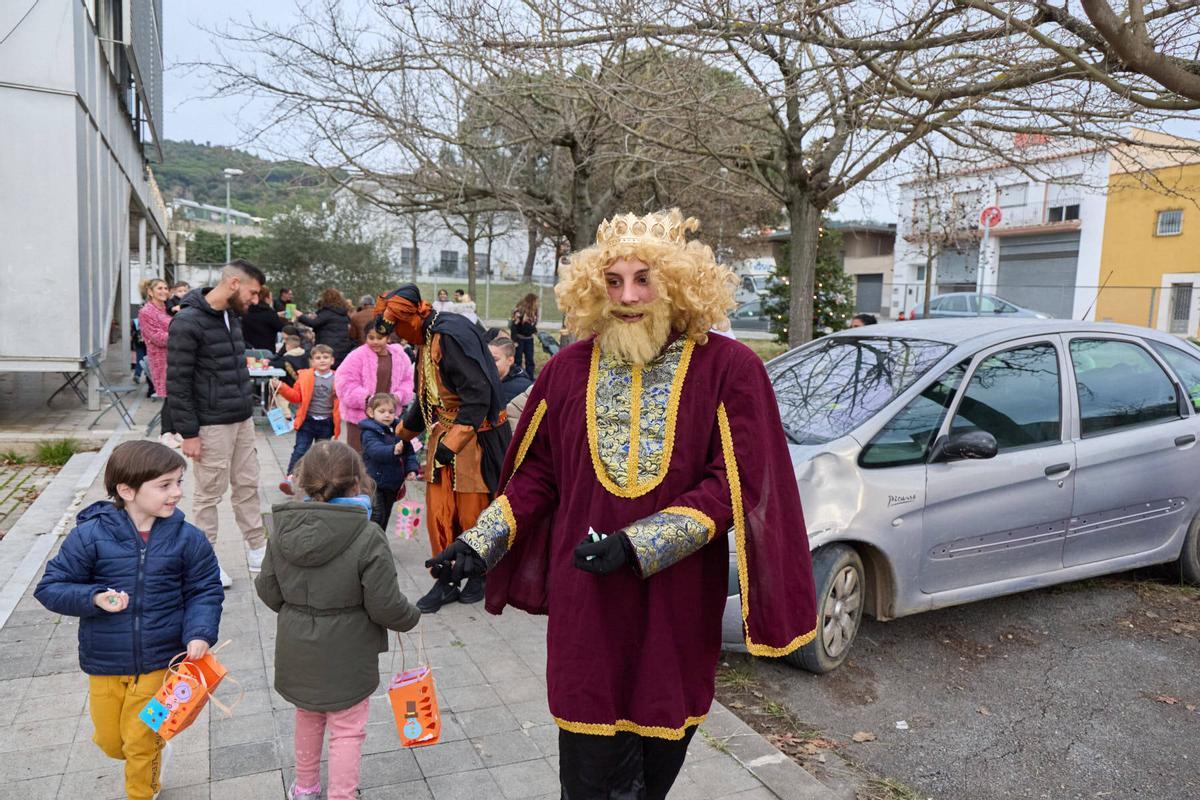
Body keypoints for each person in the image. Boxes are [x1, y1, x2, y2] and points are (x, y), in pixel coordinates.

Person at [425, 209, 818, 799]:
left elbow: (733, 484)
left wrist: (642, 543)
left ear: (680, 283)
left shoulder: (728, 369)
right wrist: (479, 544)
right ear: (592, 288)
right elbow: (536, 477)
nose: (628, 296)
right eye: (613, 281)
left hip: (675, 602)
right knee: (585, 777)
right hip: (587, 604)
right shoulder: (565, 370)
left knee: (654, 769)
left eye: (644, 279)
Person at [33, 441, 223, 800]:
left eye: (179, 482)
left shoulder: (188, 539)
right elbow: (51, 587)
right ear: (126, 490)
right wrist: (93, 598)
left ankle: (143, 789)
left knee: (139, 741)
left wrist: (199, 631)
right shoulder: (90, 536)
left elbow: (205, 589)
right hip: (104, 661)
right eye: (165, 485)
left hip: (160, 661)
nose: (177, 493)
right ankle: (149, 750)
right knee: (111, 742)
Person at [255, 440, 421, 800]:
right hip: (349, 652)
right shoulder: (367, 534)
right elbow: (385, 604)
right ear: (357, 484)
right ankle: (341, 795)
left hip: (297, 647)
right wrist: (411, 617)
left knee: (307, 718)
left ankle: (305, 789)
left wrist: (297, 612)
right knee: (347, 729)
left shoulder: (282, 527)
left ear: (303, 480)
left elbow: (268, 588)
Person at [370, 284, 512, 612]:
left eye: (398, 330)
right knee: (438, 511)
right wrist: (403, 434)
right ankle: (445, 579)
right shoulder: (427, 337)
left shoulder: (450, 336)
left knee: (472, 511)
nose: (399, 338)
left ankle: (480, 574)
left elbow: (478, 395)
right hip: (446, 436)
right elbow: (427, 395)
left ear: (410, 319)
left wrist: (452, 444)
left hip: (475, 439)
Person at [167, 259, 269, 588]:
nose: (256, 300)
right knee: (209, 494)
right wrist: (190, 433)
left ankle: (258, 548)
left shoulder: (232, 315)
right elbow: (178, 382)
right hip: (210, 424)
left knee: (248, 486)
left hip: (241, 418)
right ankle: (204, 562)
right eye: (253, 292)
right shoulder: (187, 321)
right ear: (235, 284)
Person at [334, 327, 415, 453]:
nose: (375, 342)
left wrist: (398, 396)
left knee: (384, 454)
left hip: (387, 416)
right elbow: (344, 382)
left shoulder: (399, 356)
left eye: (379, 338)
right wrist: (367, 399)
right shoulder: (356, 355)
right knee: (358, 455)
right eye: (371, 338)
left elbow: (408, 380)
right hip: (360, 418)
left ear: (388, 338)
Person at [272, 344, 340, 487]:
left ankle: (319, 481)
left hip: (327, 422)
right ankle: (291, 477)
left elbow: (344, 397)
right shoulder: (304, 376)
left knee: (323, 453)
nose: (322, 360)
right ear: (312, 362)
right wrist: (282, 387)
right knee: (300, 450)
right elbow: (296, 397)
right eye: (318, 358)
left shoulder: (338, 378)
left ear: (332, 360)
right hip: (307, 421)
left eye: (326, 357)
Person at [359, 393, 421, 530]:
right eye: (382, 411)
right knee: (376, 515)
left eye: (391, 412)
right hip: (374, 482)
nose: (387, 415)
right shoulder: (369, 432)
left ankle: (379, 544)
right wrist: (393, 450)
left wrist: (411, 469)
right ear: (370, 412)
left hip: (393, 483)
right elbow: (375, 451)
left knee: (385, 516)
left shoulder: (400, 430)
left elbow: (409, 452)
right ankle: (369, 544)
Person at [138, 278, 175, 440]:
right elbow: (155, 337)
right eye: (159, 288)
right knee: (170, 394)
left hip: (173, 356)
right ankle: (166, 432)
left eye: (166, 288)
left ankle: (174, 431)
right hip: (161, 359)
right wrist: (180, 334)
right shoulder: (146, 311)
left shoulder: (165, 310)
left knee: (176, 393)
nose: (164, 291)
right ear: (150, 292)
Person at [299, 288, 355, 367]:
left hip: (327, 349)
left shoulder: (327, 312)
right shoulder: (343, 313)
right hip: (342, 350)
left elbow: (313, 323)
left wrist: (299, 316)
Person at [488, 336, 533, 404]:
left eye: (495, 359)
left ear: (510, 360)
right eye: (486, 358)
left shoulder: (524, 389)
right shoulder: (480, 380)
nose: (488, 363)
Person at [243, 286, 287, 351]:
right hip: (266, 351)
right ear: (266, 298)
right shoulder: (269, 312)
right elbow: (281, 328)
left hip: (248, 350)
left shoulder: (246, 311)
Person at [509, 292, 539, 377]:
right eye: (536, 301)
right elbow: (514, 326)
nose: (537, 303)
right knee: (518, 359)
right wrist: (514, 340)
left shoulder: (534, 312)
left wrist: (535, 331)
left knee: (530, 359)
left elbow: (531, 325)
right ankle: (518, 376)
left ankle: (529, 377)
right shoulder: (519, 311)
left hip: (529, 339)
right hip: (519, 339)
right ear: (531, 301)